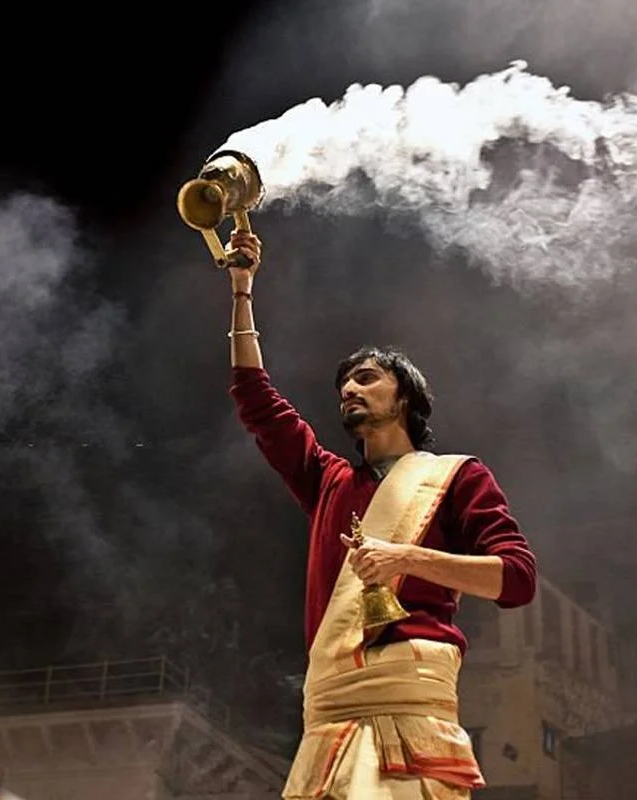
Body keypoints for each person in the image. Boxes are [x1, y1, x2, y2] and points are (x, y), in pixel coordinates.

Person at [222, 230, 538, 800]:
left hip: (410, 697)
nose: (349, 387)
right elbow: (256, 399)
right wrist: (242, 291)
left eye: (366, 377)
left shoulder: (457, 476)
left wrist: (406, 558)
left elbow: (517, 579)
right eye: (344, 382)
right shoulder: (328, 480)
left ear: (406, 397)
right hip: (329, 706)